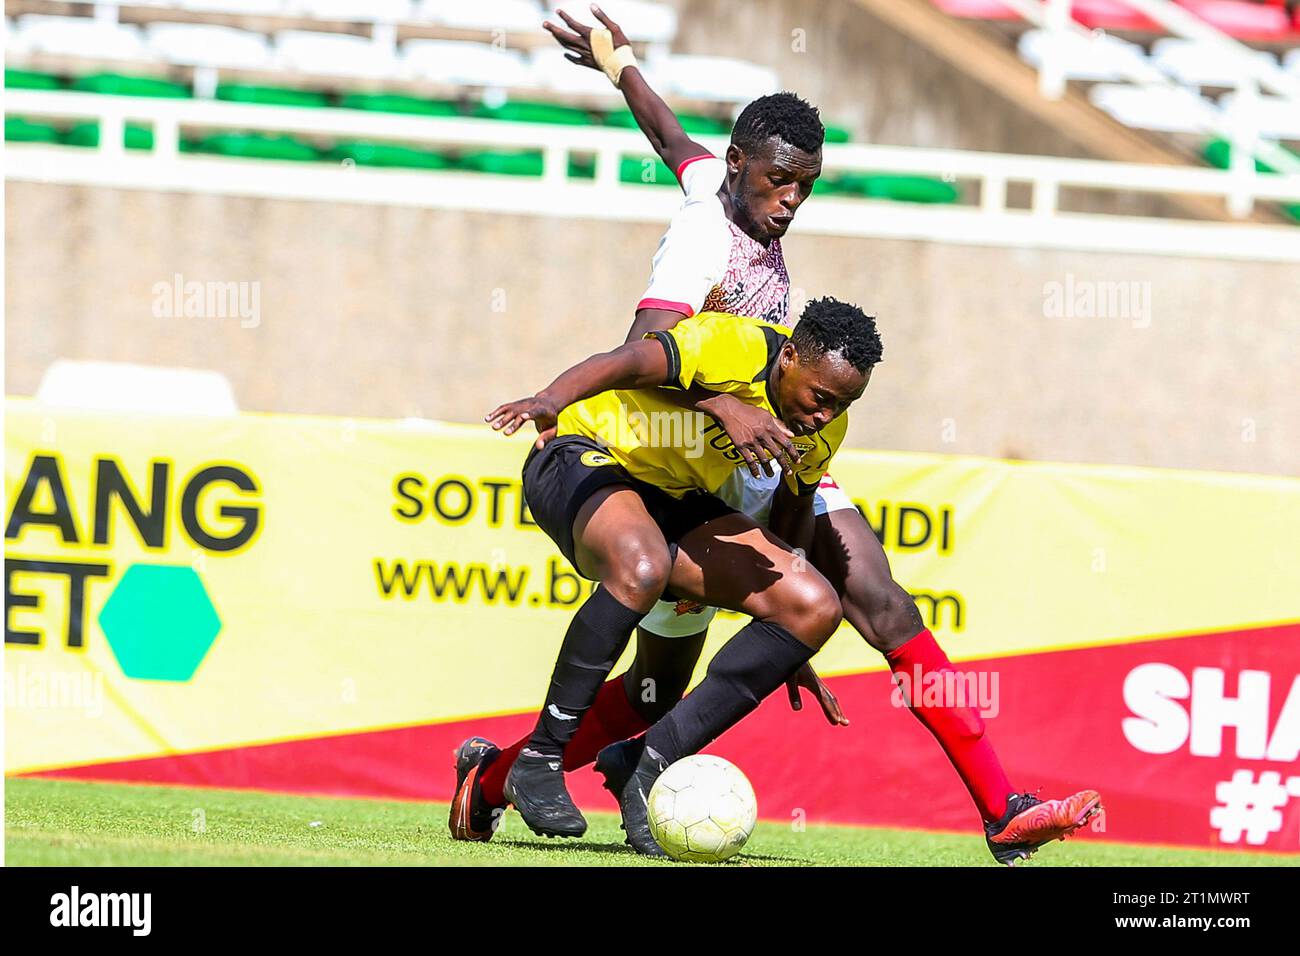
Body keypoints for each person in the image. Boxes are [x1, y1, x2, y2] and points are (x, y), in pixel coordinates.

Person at [454, 4, 1100, 865]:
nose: (790, 202)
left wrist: (621, 65)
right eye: (777, 183)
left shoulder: (725, 198)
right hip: (659, 454)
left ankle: (1001, 804)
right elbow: (644, 349)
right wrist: (722, 402)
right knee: (655, 688)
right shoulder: (700, 241)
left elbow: (675, 144)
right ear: (744, 169)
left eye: (804, 186)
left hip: (747, 453)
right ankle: (503, 775)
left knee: (873, 598)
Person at [477, 300, 880, 855]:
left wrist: (791, 646)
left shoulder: (822, 428)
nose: (825, 416)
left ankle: (645, 764)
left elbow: (790, 523)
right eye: (820, 398)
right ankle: (541, 757)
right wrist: (550, 399)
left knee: (812, 604)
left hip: (673, 498)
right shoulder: (732, 346)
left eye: (843, 404)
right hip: (583, 453)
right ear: (788, 357)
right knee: (643, 568)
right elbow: (627, 360)